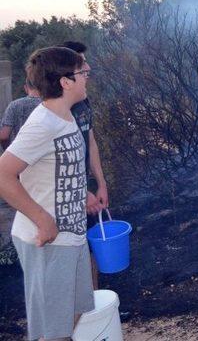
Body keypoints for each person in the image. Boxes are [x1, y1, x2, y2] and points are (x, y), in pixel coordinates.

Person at [0, 46, 94, 340]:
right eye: (82, 71)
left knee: (71, 319)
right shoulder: (43, 124)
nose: (87, 74)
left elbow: (56, 170)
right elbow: (3, 173)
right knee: (53, 332)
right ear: (65, 81)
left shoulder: (64, 117)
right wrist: (42, 219)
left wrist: (84, 194)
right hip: (47, 241)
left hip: (71, 237)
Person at [59, 41, 109, 289]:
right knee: (72, 252)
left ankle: (95, 303)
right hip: (64, 197)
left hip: (83, 186)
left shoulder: (83, 102)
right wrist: (81, 193)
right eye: (81, 64)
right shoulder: (55, 111)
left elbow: (90, 142)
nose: (88, 68)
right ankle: (77, 312)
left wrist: (100, 183)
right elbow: (58, 163)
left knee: (92, 245)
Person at [0, 77, 41, 150]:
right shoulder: (51, 105)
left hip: (18, 154)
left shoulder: (14, 105)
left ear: (26, 87)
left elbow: (4, 135)